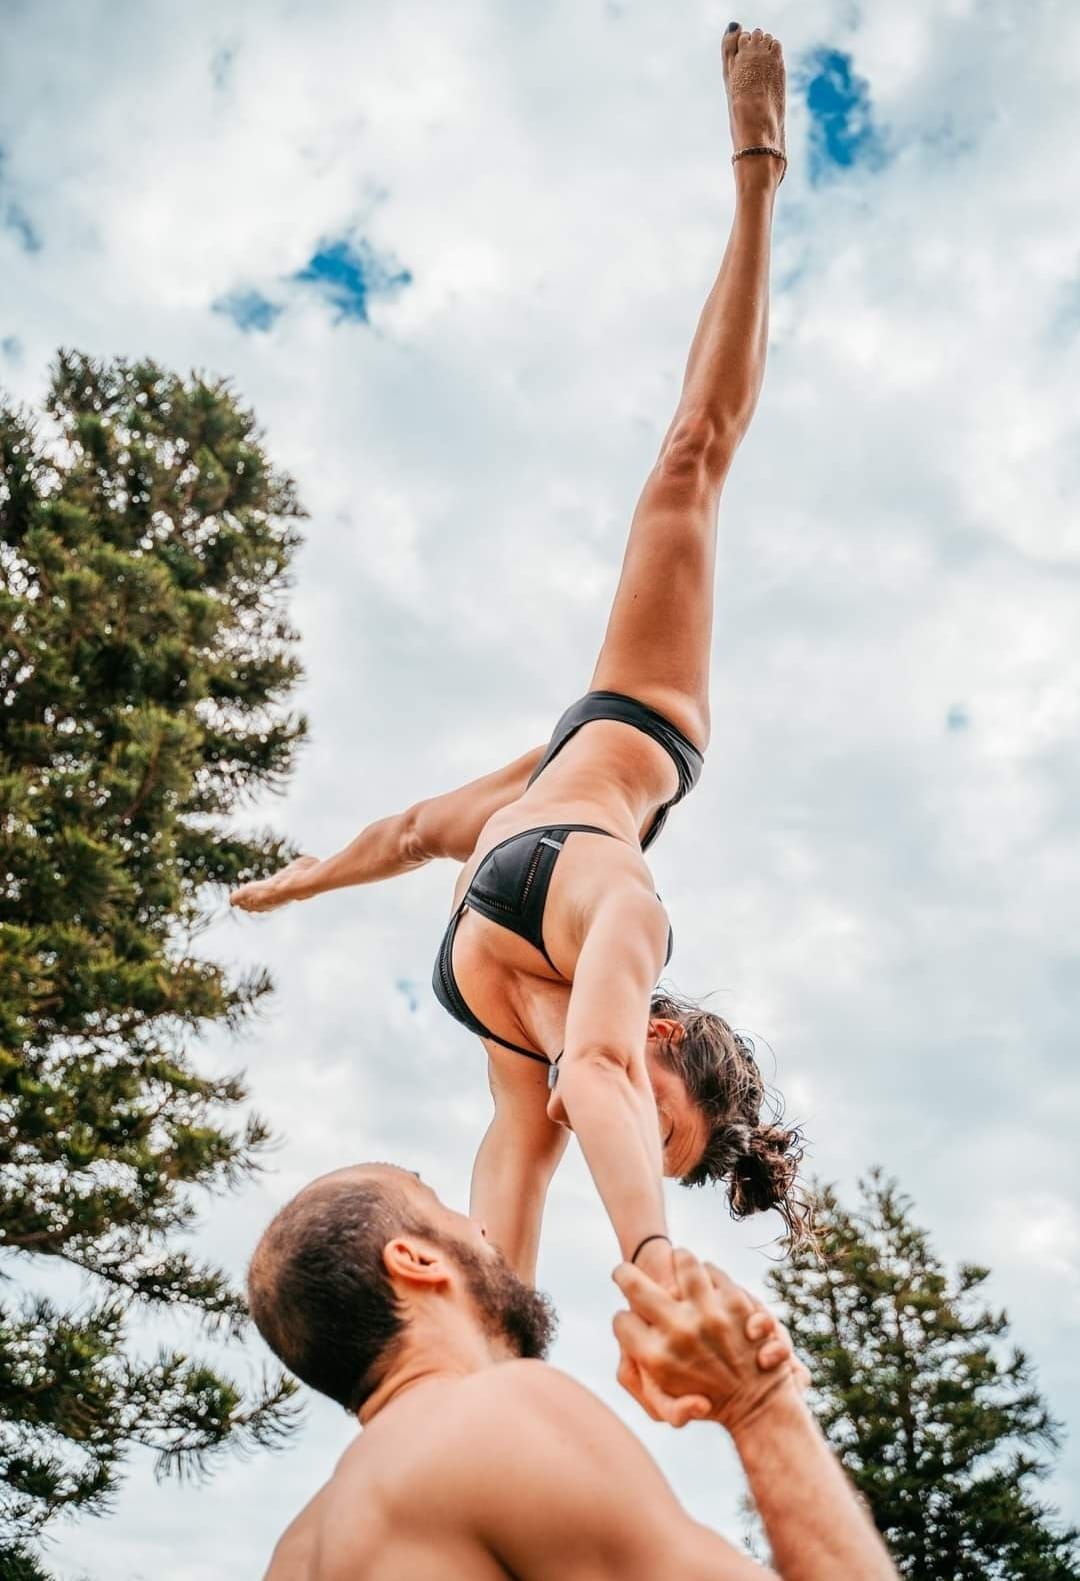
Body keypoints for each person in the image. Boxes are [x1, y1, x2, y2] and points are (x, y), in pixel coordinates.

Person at [232, 25, 806, 1296]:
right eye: (665, 1132)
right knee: (690, 460)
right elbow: (600, 1078)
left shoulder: (518, 1048)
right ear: (664, 1031)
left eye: (654, 1162)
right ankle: (760, 171)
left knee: (531, 1146)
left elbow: (410, 832)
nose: (636, 1149)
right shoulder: (629, 923)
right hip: (635, 736)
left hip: (509, 862)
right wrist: (653, 1256)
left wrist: (300, 887)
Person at [248, 1164, 898, 1580]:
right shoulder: (490, 1418)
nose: (479, 1225)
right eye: (444, 1205)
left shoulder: (295, 1551)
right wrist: (759, 1404)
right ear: (417, 1258)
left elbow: (520, 1143)